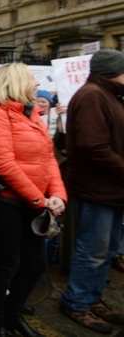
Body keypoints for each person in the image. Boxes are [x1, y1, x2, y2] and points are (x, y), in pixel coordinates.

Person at [0, 63, 67, 337]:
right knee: (6, 267)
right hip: (6, 206)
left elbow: (48, 157)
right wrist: (41, 200)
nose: (37, 84)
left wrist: (58, 194)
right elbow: (3, 164)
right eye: (31, 78)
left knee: (36, 264)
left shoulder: (33, 114)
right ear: (15, 82)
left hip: (34, 204)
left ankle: (13, 314)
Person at [60, 49, 124, 333]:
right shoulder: (92, 95)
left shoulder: (108, 94)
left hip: (112, 189)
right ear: (114, 70)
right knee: (92, 251)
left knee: (107, 251)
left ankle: (92, 299)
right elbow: (93, 146)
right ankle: (76, 302)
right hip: (98, 189)